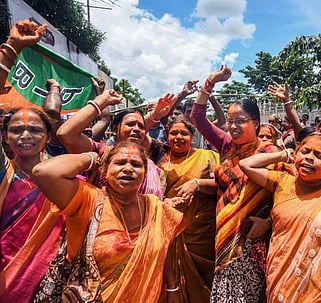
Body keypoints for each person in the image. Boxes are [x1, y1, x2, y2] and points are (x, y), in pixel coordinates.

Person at [31, 141, 188, 302]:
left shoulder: (155, 206)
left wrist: (172, 287)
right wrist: (91, 158)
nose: (128, 169)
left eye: (136, 164)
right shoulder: (88, 200)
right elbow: (43, 171)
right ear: (105, 170)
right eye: (120, 163)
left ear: (145, 172)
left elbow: (165, 247)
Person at [190, 65, 291, 302]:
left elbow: (290, 193)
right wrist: (211, 81)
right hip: (224, 233)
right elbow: (197, 117)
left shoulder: (270, 152)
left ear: (255, 122)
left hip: (253, 240)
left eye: (240, 121)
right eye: (230, 121)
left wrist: (268, 222)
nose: (233, 126)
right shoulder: (227, 146)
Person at [239, 132, 321, 303]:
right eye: (305, 151)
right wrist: (284, 155)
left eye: (319, 155)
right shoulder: (282, 182)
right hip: (280, 282)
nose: (309, 158)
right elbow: (246, 164)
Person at [0, 20, 66, 303]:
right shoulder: (4, 171)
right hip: (6, 280)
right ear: (5, 136)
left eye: (35, 129)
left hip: (53, 284)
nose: (25, 135)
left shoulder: (63, 174)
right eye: (16, 129)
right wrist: (12, 48)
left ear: (48, 135)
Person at [56, 90, 175, 198]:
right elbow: (65, 134)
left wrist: (155, 115)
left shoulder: (148, 162)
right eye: (130, 124)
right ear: (114, 129)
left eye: (141, 126)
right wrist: (99, 102)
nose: (137, 129)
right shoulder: (102, 153)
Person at [159, 117, 219, 303]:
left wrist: (197, 183)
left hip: (201, 231)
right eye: (173, 133)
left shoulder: (207, 156)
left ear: (192, 136)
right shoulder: (160, 161)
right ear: (167, 135)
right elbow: (150, 193)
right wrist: (166, 201)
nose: (178, 137)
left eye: (184, 133)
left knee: (204, 283)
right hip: (169, 229)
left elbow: (224, 184)